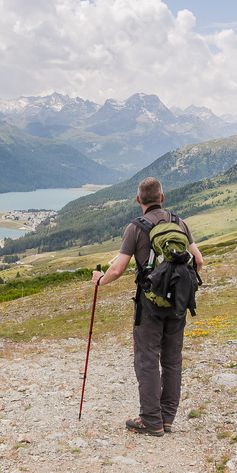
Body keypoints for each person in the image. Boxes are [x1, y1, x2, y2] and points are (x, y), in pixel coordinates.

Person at [91, 177, 203, 436]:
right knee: (173, 360)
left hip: (149, 305)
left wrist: (100, 281)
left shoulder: (135, 228)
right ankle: (166, 419)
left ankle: (150, 419)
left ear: (138, 200)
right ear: (162, 197)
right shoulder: (179, 223)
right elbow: (199, 260)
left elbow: (118, 269)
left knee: (147, 359)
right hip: (177, 304)